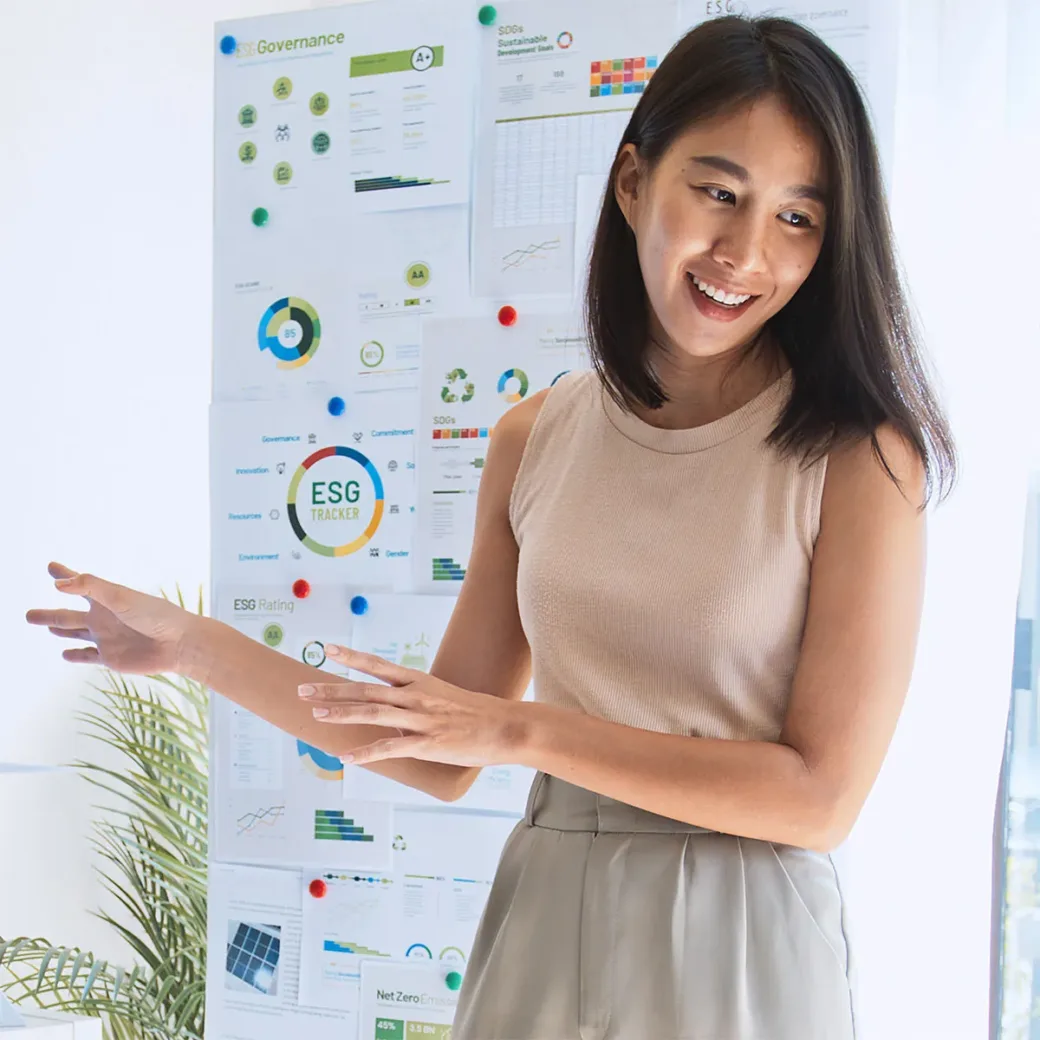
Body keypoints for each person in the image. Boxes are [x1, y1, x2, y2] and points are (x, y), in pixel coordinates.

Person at [25, 14, 955, 1040]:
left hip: (737, 933)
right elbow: (439, 741)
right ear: (633, 181)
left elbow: (819, 796)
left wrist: (524, 730)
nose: (742, 252)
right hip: (547, 902)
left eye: (796, 218)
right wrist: (195, 647)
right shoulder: (533, 433)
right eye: (719, 193)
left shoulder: (856, 458)